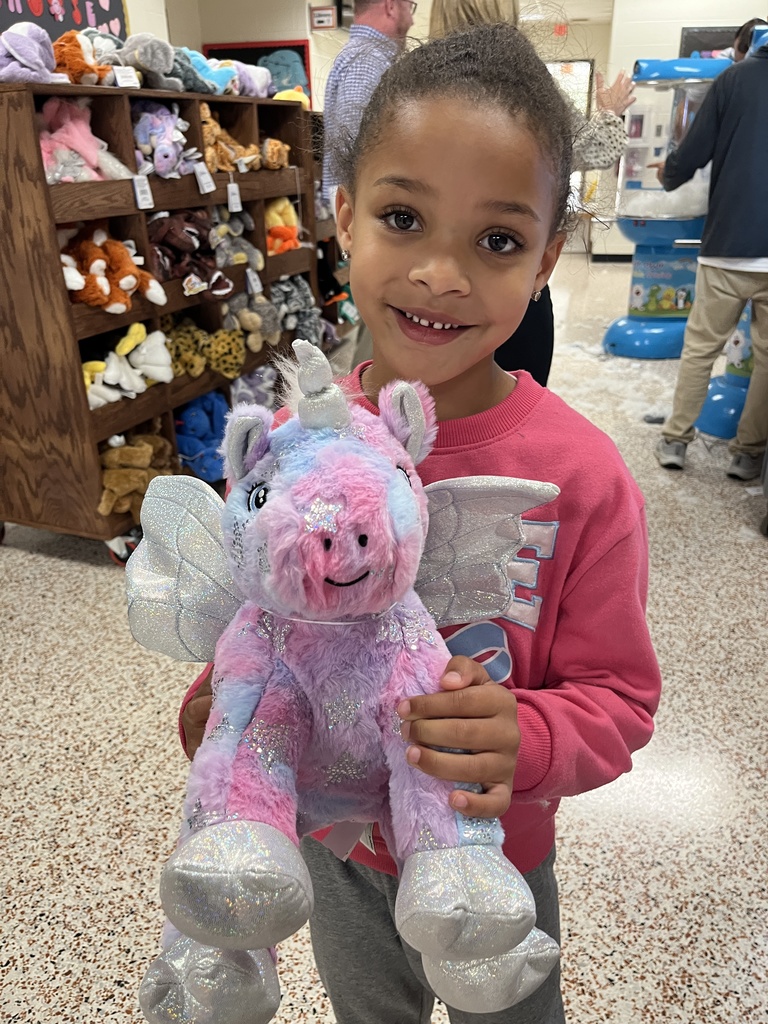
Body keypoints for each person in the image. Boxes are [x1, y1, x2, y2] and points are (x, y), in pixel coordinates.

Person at [180, 24, 661, 1024]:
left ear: (545, 258)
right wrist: (220, 709)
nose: (443, 273)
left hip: (495, 862)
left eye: (495, 240)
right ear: (344, 216)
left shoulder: (582, 475)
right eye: (404, 216)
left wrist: (525, 734)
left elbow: (621, 697)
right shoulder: (294, 449)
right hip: (346, 859)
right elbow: (263, 610)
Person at [428, 0, 636, 386]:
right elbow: (591, 149)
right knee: (512, 414)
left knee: (422, 420)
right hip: (510, 290)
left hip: (420, 297)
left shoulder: (415, 79)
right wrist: (609, 115)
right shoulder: (523, 80)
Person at [653, 23, 768, 480]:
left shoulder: (733, 79)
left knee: (701, 348)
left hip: (727, 247)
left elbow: (695, 149)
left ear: (743, 49)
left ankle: (676, 441)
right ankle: (749, 453)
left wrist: (668, 174)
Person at [321, 0, 415, 214]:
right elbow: (354, 139)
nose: (412, 19)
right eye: (410, 7)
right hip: (363, 195)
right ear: (391, 6)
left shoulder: (367, 56)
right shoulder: (367, 59)